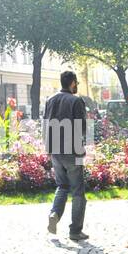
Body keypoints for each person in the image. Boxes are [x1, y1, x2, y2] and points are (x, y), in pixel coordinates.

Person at [44, 70, 90, 242]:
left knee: (62, 186)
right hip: (72, 151)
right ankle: (75, 231)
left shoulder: (50, 100)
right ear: (72, 83)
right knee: (78, 191)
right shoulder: (76, 101)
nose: (76, 85)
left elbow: (45, 125)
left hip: (55, 151)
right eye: (76, 82)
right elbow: (82, 128)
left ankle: (54, 214)